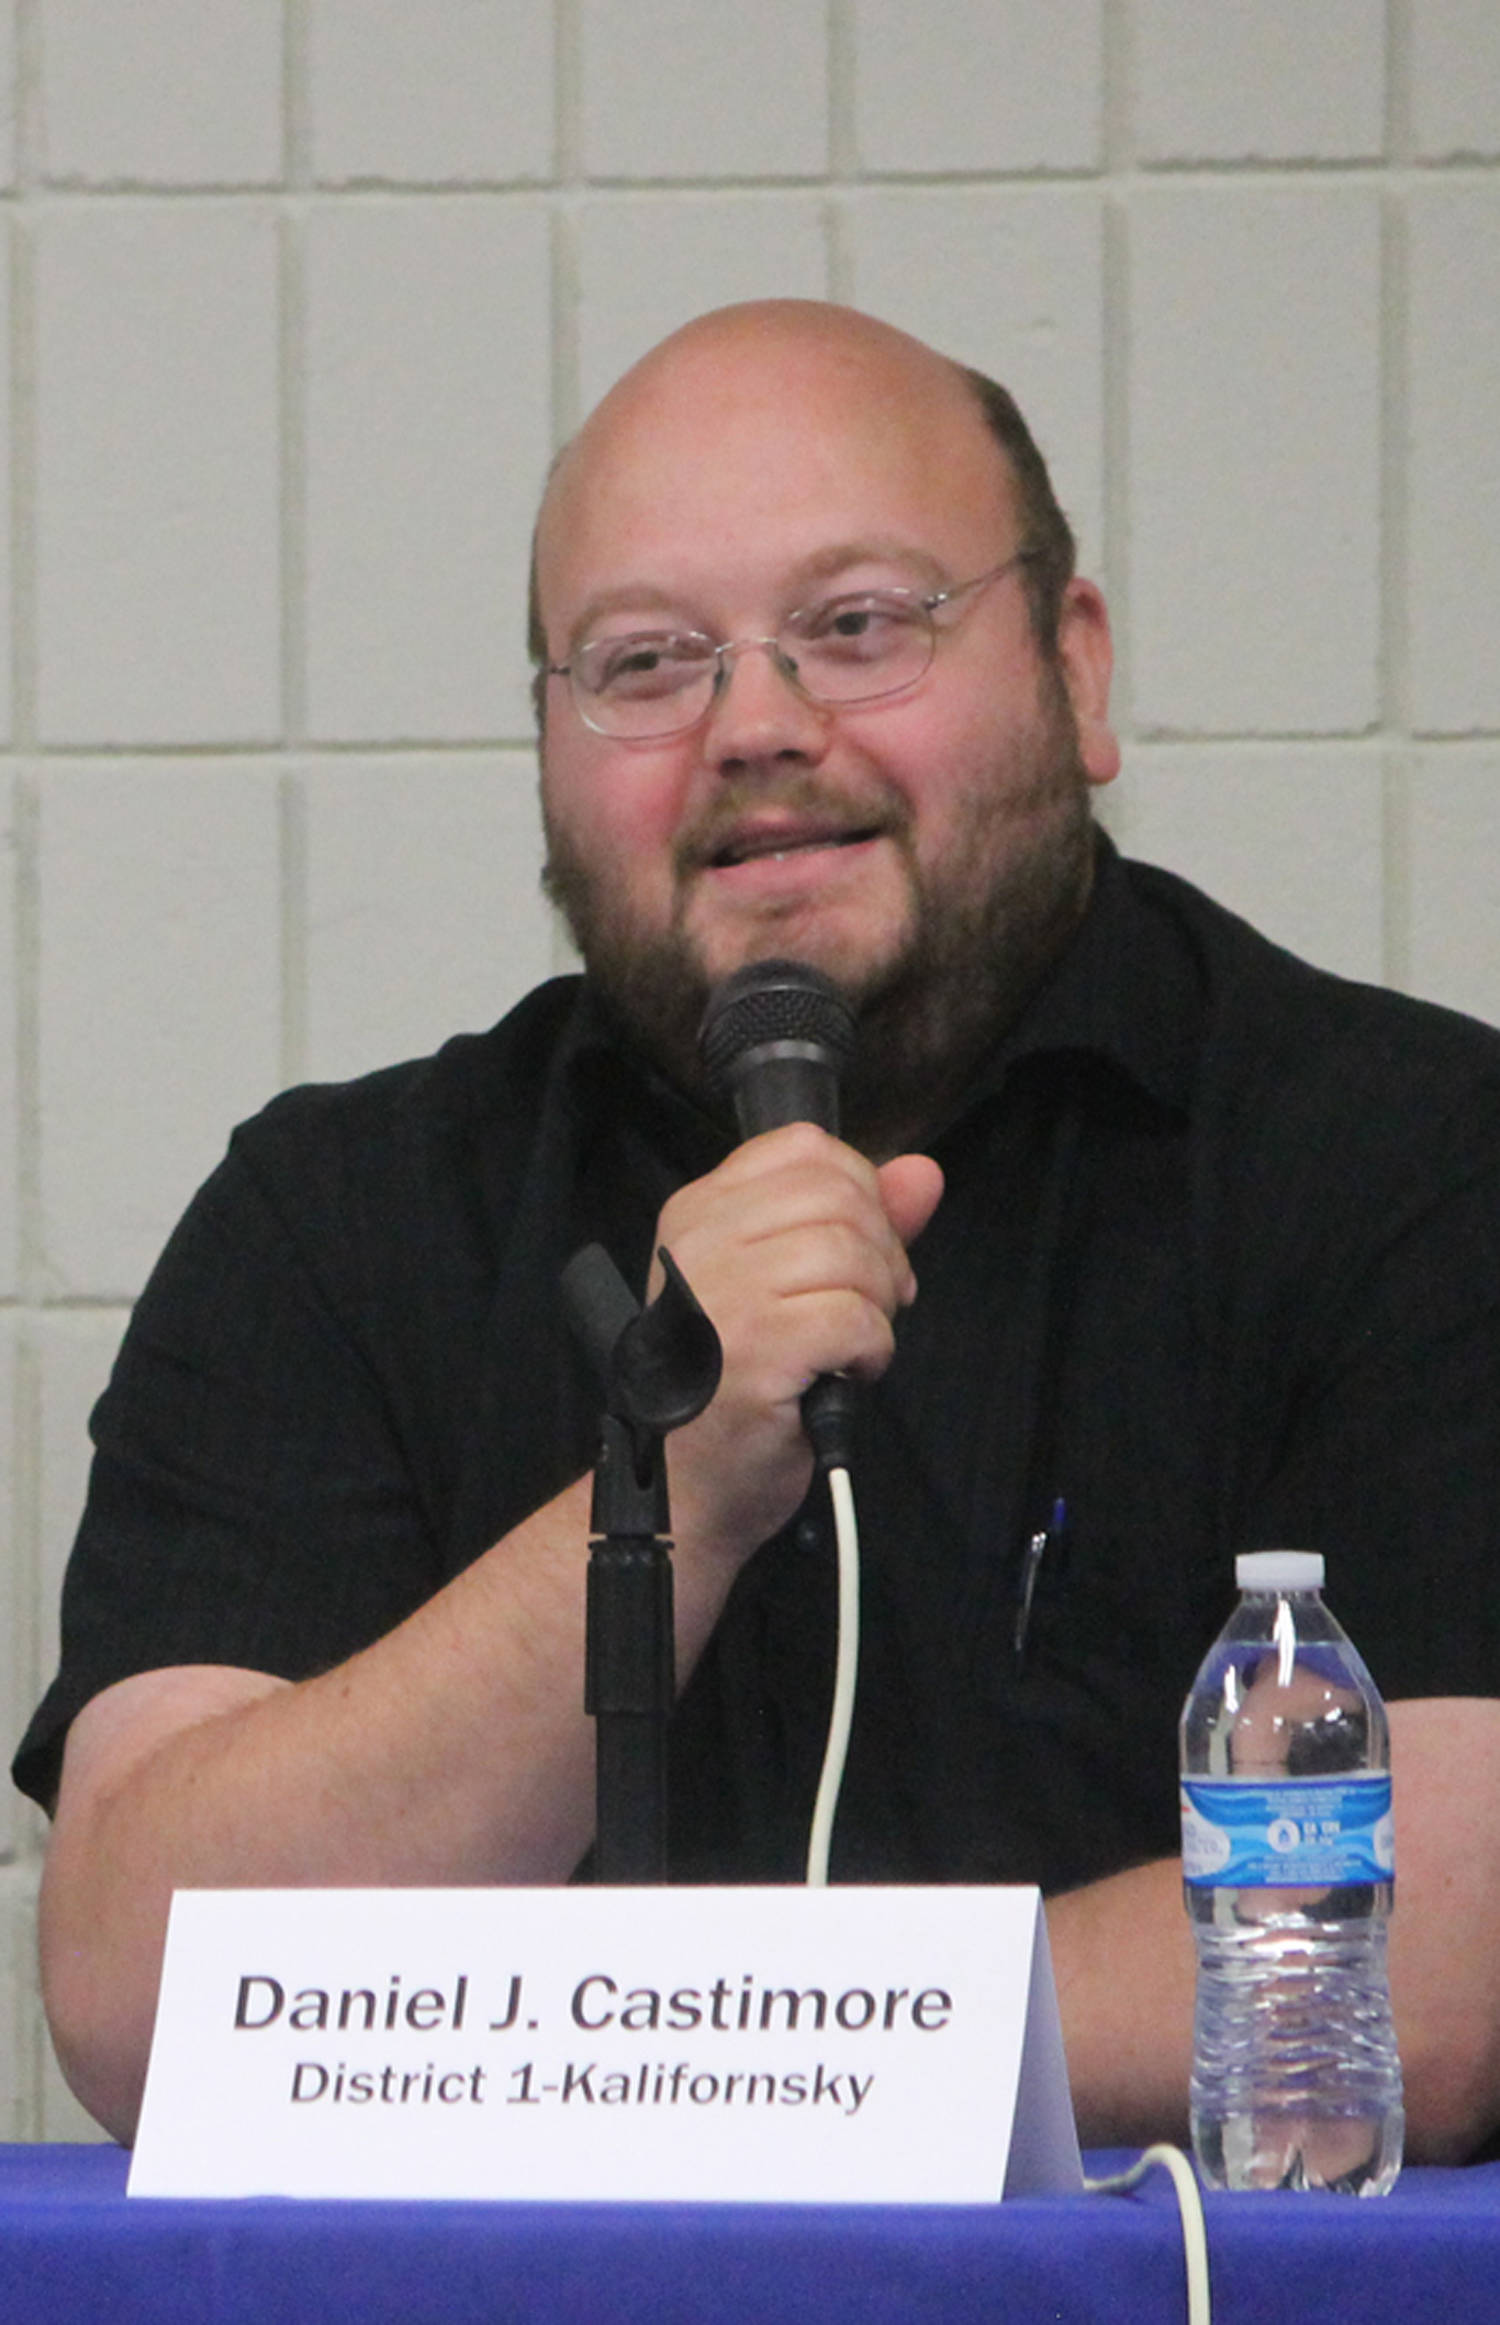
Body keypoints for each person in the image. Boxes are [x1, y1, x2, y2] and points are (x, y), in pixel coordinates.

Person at [17, 299, 1500, 2160]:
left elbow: (1416, 1983)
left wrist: (744, 2055)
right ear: (547, 752)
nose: (758, 726)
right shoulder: (335, 1219)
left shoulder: (1417, 1164)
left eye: (860, 626)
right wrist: (678, 1480)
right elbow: (142, 1998)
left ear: (1077, 665)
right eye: (644, 663)